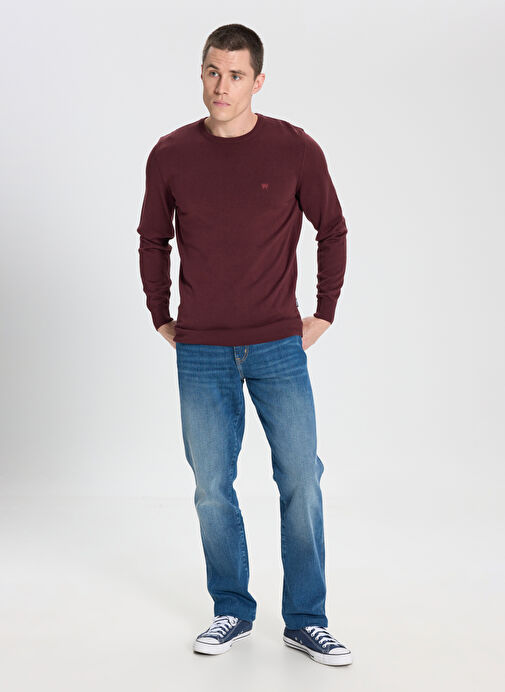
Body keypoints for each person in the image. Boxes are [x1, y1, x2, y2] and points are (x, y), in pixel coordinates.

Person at [136, 23, 352, 667]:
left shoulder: (294, 149)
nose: (220, 86)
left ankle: (306, 619)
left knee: (302, 479)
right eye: (212, 71)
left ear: (258, 81)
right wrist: (160, 315)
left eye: (234, 75)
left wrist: (324, 312)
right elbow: (152, 238)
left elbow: (333, 228)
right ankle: (231, 608)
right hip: (201, 350)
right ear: (201, 74)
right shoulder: (171, 154)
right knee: (211, 486)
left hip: (278, 347)